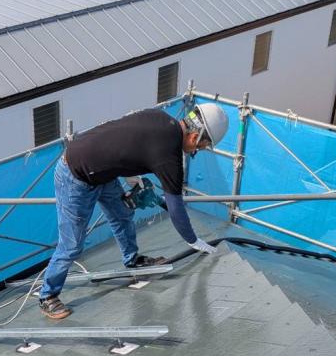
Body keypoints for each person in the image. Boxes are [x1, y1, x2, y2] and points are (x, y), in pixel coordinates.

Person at [38, 103, 230, 320]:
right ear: (195, 137)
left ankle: (132, 260)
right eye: (201, 147)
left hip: (101, 172)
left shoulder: (160, 118)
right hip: (75, 176)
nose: (196, 151)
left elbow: (122, 137)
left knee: (122, 215)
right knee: (71, 245)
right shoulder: (169, 155)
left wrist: (131, 175)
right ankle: (47, 296)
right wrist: (193, 241)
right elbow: (176, 208)